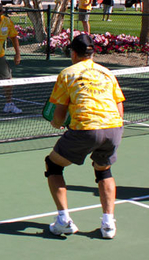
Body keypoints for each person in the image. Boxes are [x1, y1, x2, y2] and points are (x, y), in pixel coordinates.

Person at [44, 34, 125, 239]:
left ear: (73, 53)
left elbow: (60, 113)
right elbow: (119, 106)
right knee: (104, 171)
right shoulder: (107, 73)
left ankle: (63, 221)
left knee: (53, 165)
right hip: (114, 128)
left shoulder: (67, 74)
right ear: (93, 53)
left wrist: (57, 124)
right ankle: (108, 225)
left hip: (86, 130)